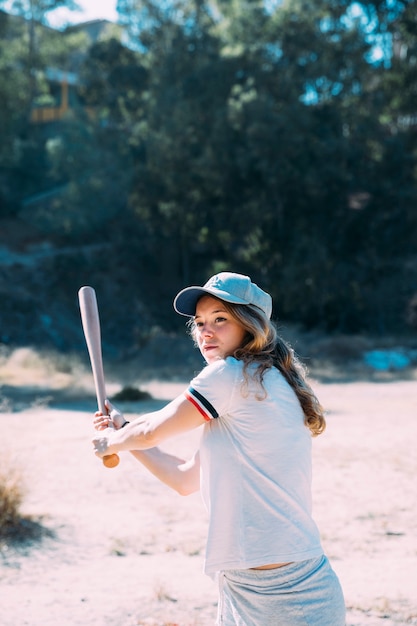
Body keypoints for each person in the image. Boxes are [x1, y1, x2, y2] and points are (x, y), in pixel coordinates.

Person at [92, 271, 346, 626]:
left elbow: (151, 431)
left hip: (279, 592)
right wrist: (123, 430)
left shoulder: (232, 375)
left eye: (220, 320)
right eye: (199, 323)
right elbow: (182, 479)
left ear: (249, 325)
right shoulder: (264, 381)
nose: (205, 331)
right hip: (267, 583)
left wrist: (111, 442)